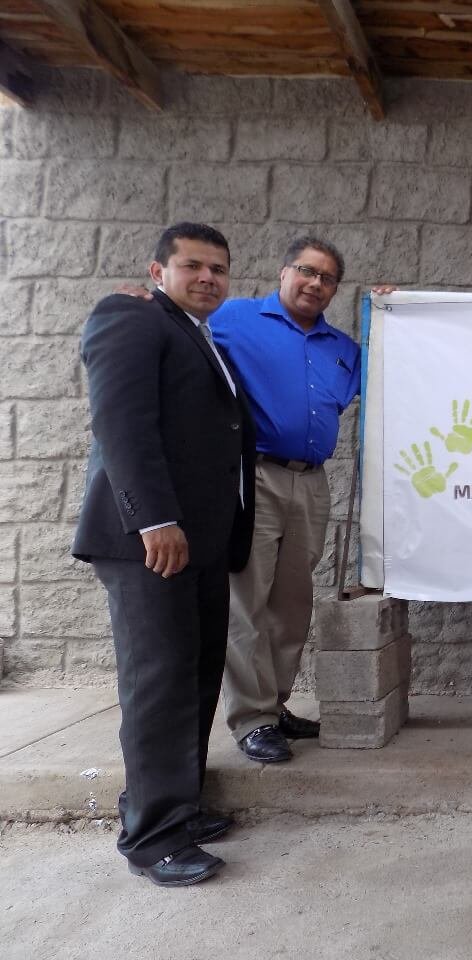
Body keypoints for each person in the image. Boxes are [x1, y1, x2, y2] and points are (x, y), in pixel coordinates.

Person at [120, 238, 362, 764]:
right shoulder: (233, 318)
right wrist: (141, 301)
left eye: (327, 278)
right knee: (246, 600)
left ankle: (273, 707)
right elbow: (176, 322)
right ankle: (251, 719)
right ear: (283, 272)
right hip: (254, 477)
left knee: (291, 604)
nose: (315, 284)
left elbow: (398, 375)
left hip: (312, 483)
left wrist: (394, 310)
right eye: (306, 271)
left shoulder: (343, 349)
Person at [72, 223, 255, 886]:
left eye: (219, 269)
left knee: (196, 675)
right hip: (150, 542)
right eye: (193, 265)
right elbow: (120, 424)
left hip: (197, 544)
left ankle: (179, 805)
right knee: (159, 684)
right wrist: (155, 520)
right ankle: (154, 838)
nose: (208, 277)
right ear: (158, 270)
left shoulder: (196, 334)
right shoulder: (131, 316)